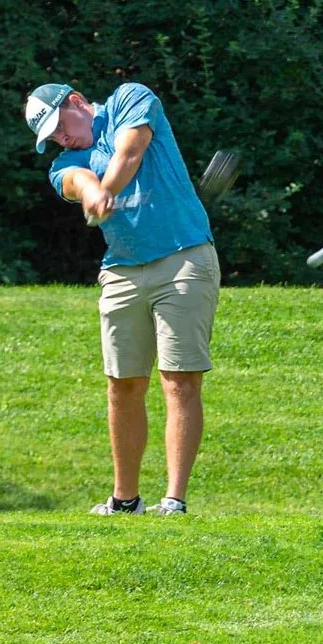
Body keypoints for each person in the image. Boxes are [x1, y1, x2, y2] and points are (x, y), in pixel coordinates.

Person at [24, 80, 221, 515]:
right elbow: (77, 179)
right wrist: (92, 192)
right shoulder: (66, 161)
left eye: (60, 125)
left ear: (76, 101)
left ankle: (174, 500)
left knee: (179, 378)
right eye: (52, 137)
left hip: (183, 256)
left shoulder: (131, 98)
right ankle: (125, 499)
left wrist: (107, 189)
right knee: (122, 384)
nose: (61, 138)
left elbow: (130, 152)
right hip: (121, 271)